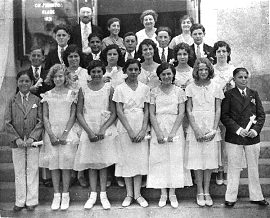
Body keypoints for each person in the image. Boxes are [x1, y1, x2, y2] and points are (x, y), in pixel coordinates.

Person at [221, 67, 269, 208]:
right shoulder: (229, 95)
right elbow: (225, 116)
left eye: (245, 77)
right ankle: (230, 197)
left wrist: (255, 130)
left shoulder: (254, 94)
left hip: (252, 138)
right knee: (233, 168)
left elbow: (261, 115)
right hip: (235, 137)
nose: (243, 80)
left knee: (253, 168)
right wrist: (238, 129)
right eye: (240, 77)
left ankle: (257, 196)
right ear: (234, 79)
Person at [73, 60, 118, 210]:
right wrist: (89, 131)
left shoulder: (108, 88)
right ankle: (93, 195)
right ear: (89, 73)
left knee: (103, 163)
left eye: (99, 71)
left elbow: (113, 112)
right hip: (88, 128)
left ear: (103, 72)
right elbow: (79, 113)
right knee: (92, 164)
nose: (96, 74)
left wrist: (103, 129)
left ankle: (103, 195)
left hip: (103, 129)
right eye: (93, 72)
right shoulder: (83, 89)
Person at [147, 63, 192, 208]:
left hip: (175, 126)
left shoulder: (179, 91)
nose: (167, 77)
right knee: (160, 158)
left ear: (173, 75)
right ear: (159, 76)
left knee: (174, 158)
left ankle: (172, 192)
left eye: (169, 74)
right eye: (164, 74)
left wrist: (173, 131)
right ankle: (163, 193)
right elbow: (151, 113)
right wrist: (158, 132)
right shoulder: (153, 91)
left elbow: (181, 113)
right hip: (158, 126)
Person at [185, 58, 224, 207]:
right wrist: (195, 129)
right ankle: (199, 190)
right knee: (197, 160)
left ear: (209, 70)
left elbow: (218, 108)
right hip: (196, 125)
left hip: (210, 125)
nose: (203, 72)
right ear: (196, 71)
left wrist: (214, 129)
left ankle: (207, 190)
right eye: (200, 69)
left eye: (206, 69)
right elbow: (188, 109)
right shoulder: (190, 87)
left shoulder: (216, 86)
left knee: (209, 161)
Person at [39, 64, 78, 210]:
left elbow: (73, 115)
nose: (58, 79)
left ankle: (66, 194)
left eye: (61, 76)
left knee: (66, 164)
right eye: (55, 76)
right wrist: (51, 134)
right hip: (52, 133)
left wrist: (65, 132)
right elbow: (45, 116)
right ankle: (57, 195)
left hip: (67, 132)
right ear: (52, 78)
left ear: (65, 77)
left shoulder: (71, 93)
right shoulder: (47, 95)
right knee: (54, 165)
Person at [113, 59, 150, 208]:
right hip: (125, 126)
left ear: (139, 71)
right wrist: (129, 130)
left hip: (140, 123)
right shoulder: (119, 88)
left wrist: (142, 129)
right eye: (130, 69)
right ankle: (129, 194)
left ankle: (138, 194)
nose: (133, 72)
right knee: (127, 159)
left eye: (136, 69)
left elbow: (147, 110)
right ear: (125, 71)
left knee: (139, 159)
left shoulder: (145, 88)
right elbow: (119, 111)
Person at [4, 71, 43, 212]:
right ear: (17, 83)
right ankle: (20, 201)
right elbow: (7, 122)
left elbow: (40, 121)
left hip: (32, 141)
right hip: (18, 142)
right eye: (21, 81)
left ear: (32, 83)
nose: (24, 84)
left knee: (32, 170)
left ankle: (31, 200)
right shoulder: (12, 101)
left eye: (27, 81)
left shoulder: (37, 100)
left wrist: (33, 137)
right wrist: (17, 138)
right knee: (19, 171)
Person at [63, 44, 89, 188]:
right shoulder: (63, 72)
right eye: (70, 56)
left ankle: (81, 174)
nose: (73, 59)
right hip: (67, 111)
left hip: (83, 110)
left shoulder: (85, 72)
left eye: (76, 56)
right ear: (66, 58)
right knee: (71, 142)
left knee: (81, 142)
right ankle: (72, 173)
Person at [212, 41, 235, 186]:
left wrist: (230, 87)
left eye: (224, 51)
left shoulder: (233, 69)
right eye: (219, 51)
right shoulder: (211, 69)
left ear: (228, 53)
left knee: (229, 140)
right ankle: (219, 170)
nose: (221, 54)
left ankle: (228, 170)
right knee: (218, 140)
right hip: (215, 107)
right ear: (215, 54)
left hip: (231, 108)